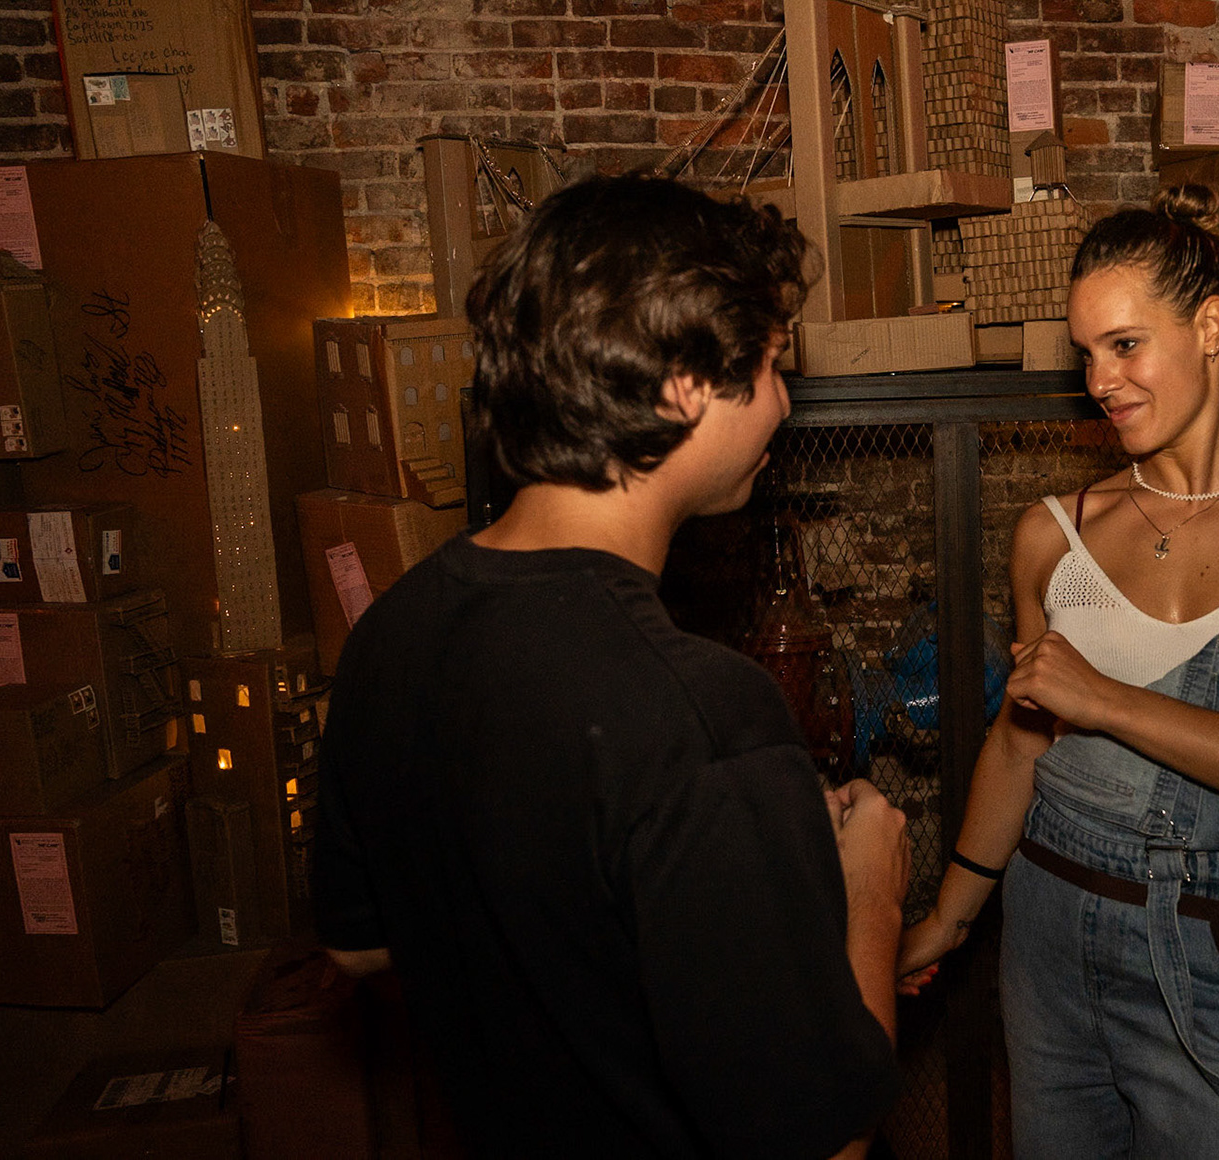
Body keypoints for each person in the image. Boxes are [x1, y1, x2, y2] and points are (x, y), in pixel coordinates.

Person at [313, 174, 909, 1159]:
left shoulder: (391, 633)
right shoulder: (706, 715)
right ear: (683, 387)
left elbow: (359, 942)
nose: (783, 400)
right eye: (770, 364)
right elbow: (828, 1146)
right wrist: (870, 898)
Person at [897, 184, 1219, 1156]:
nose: (1101, 379)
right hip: (1045, 936)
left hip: (1214, 945)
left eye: (1125, 344)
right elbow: (1020, 744)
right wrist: (950, 918)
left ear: (1209, 327)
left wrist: (1108, 700)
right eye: (1086, 353)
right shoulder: (1055, 536)